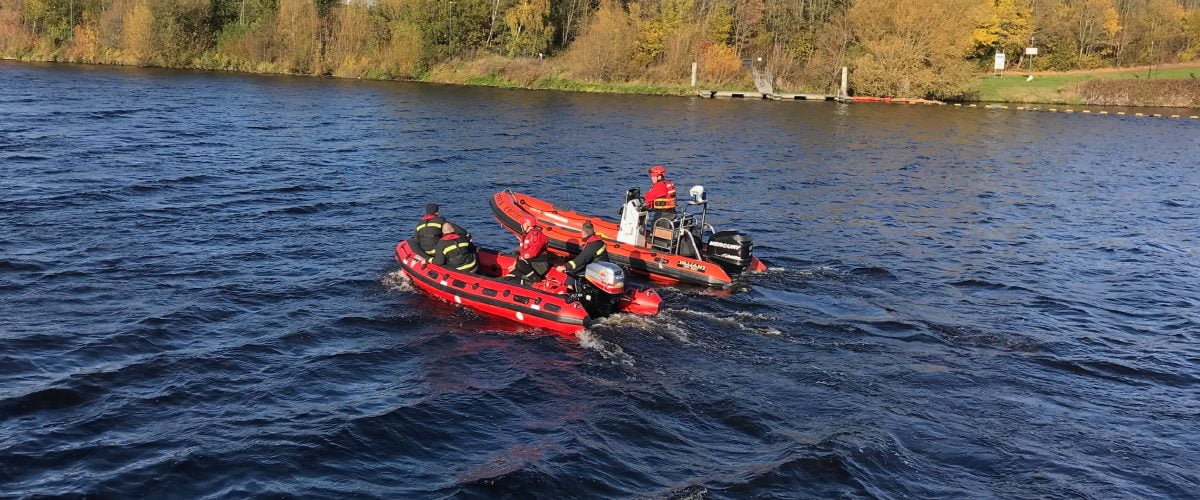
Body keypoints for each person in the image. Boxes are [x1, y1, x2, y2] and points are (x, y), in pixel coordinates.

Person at [505, 216, 550, 285]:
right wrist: (516, 262)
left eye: (522, 224)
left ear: (527, 224)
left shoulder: (536, 234)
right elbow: (522, 252)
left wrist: (517, 262)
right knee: (510, 276)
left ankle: (536, 280)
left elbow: (531, 253)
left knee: (520, 263)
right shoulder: (527, 235)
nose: (521, 226)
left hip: (540, 264)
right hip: (530, 264)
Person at [643, 165, 677, 229]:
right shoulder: (668, 183)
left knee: (654, 228)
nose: (652, 178)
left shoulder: (659, 186)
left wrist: (644, 204)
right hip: (672, 213)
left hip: (662, 215)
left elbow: (649, 198)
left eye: (653, 176)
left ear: (659, 176)